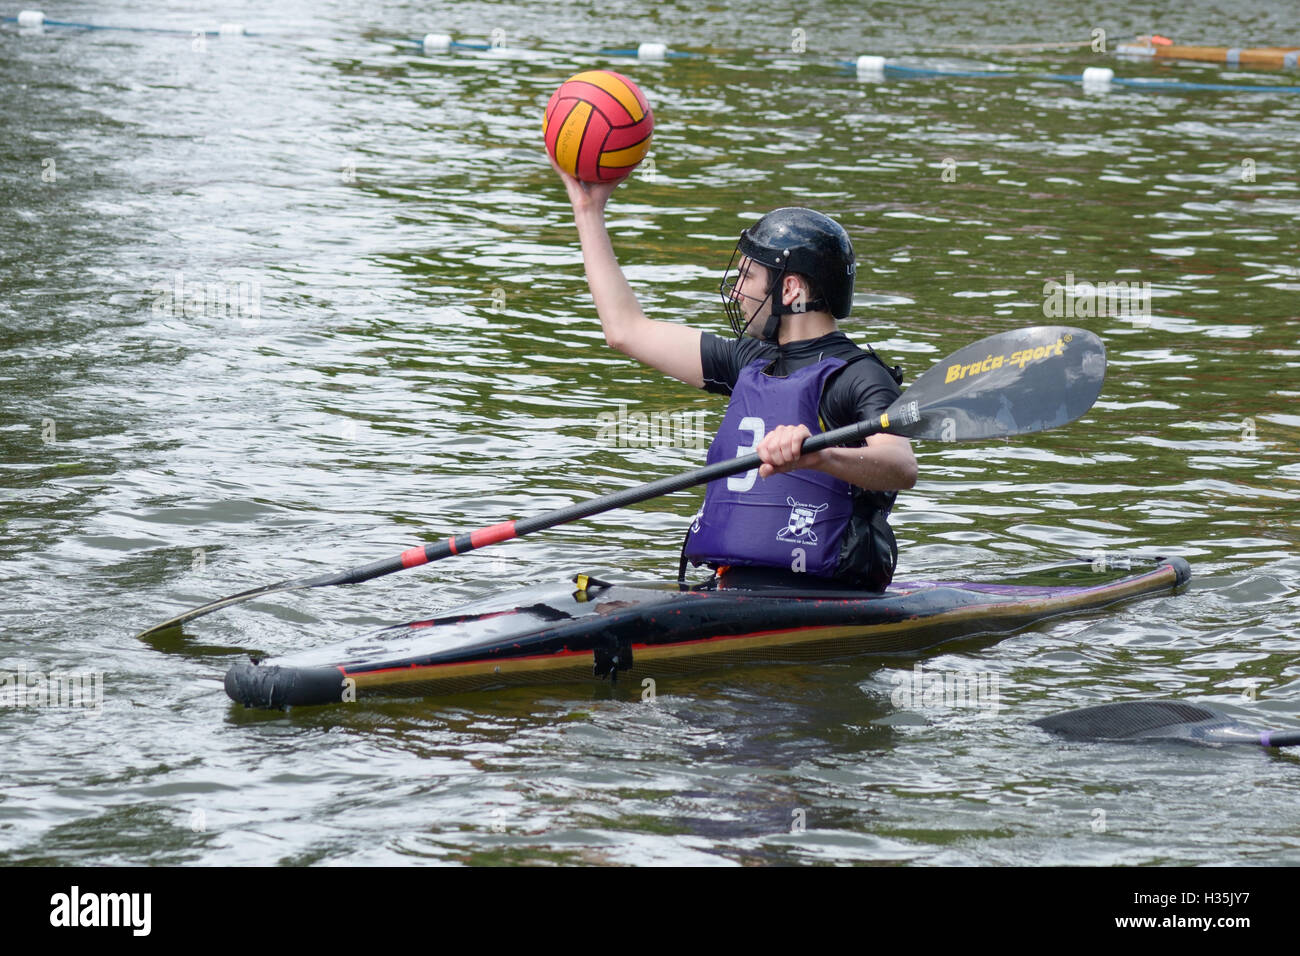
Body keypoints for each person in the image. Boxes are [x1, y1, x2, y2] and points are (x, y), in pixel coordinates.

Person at [551, 163, 917, 590]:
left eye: (750, 276)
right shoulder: (749, 361)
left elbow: (900, 466)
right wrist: (587, 210)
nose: (737, 290)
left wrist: (820, 456)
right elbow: (625, 331)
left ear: (791, 290)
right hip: (734, 584)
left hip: (825, 592)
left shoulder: (859, 376)